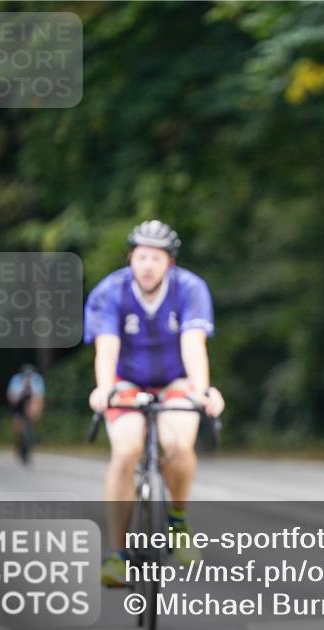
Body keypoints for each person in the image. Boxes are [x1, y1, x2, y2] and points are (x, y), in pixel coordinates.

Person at [84, 219, 225, 587]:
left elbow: (194, 346)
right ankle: (117, 554)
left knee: (179, 443)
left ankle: (178, 519)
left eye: (156, 258)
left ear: (169, 263)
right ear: (131, 258)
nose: (147, 265)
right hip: (126, 379)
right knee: (126, 449)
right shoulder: (110, 291)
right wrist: (104, 389)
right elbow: (106, 348)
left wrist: (202, 391)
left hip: (175, 378)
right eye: (141, 257)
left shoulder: (191, 289)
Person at [7, 363, 46, 463]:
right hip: (18, 405)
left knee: (31, 420)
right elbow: (11, 396)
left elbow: (39, 397)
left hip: (30, 403)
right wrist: (20, 394)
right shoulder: (16, 380)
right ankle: (18, 444)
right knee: (17, 427)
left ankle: (30, 443)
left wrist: (37, 410)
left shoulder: (37, 380)